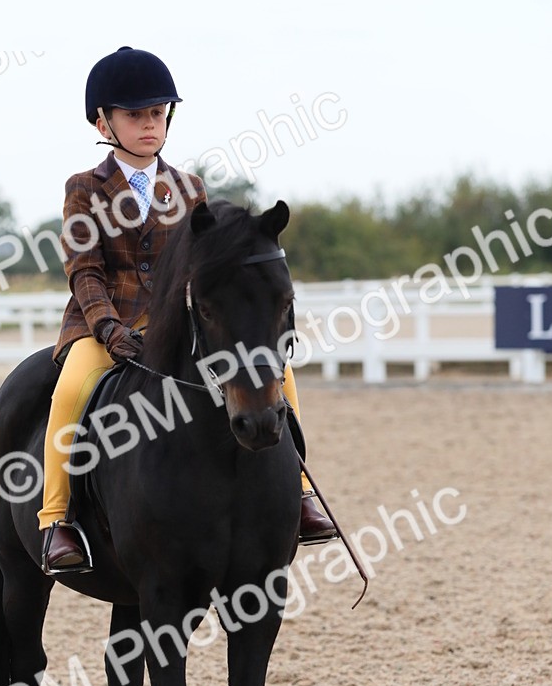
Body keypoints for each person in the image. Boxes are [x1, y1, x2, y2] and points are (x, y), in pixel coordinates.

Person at [39, 46, 335, 574]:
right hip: (104, 322)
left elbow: (206, 270)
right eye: (135, 115)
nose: (149, 124)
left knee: (279, 376)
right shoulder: (84, 188)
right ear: (104, 121)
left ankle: (303, 491)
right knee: (71, 390)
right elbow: (84, 269)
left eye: (156, 113)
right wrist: (106, 325)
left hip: (177, 327)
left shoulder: (189, 189)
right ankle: (58, 520)